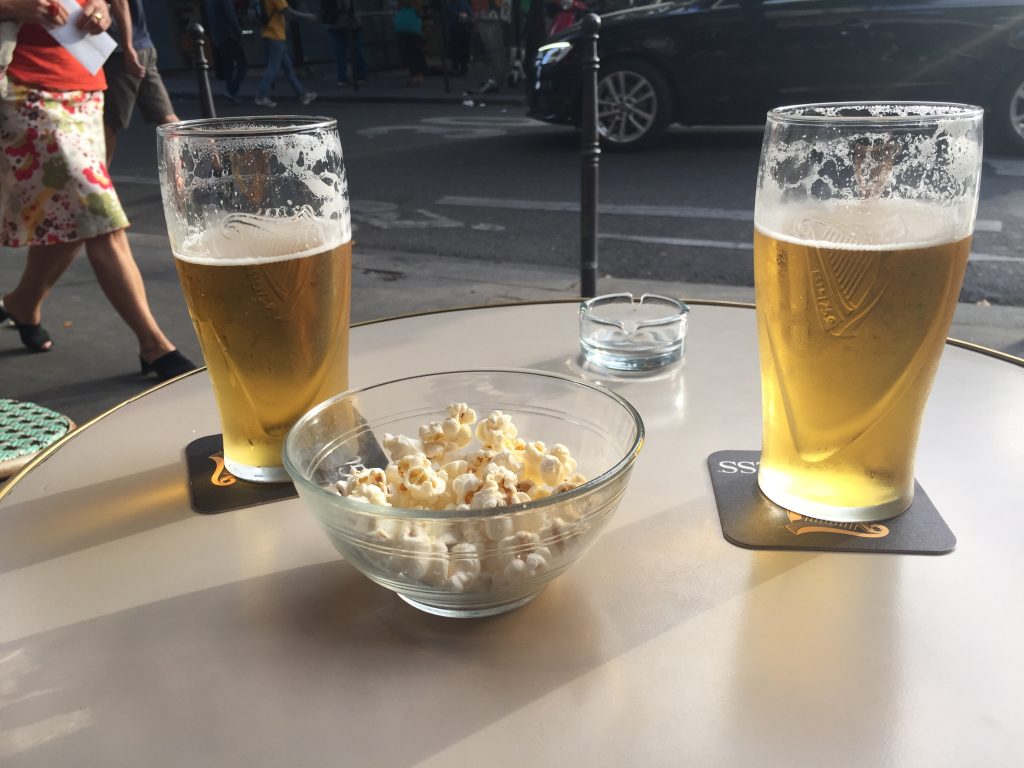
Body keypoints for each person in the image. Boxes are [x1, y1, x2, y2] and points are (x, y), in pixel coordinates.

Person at [0, 0, 196, 380]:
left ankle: (23, 303)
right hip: (27, 89)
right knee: (96, 210)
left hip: (88, 85)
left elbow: (103, 5)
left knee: (72, 215)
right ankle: (154, 344)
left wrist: (101, 15)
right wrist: (15, 7)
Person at [102, 0, 179, 166]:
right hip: (143, 46)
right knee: (166, 117)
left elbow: (120, 3)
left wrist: (127, 48)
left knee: (109, 122)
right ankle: (208, 146)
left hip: (122, 53)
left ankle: (99, 181)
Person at [255, 0, 317, 107]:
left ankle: (303, 94)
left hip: (268, 33)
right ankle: (261, 96)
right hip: (276, 35)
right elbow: (288, 12)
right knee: (273, 68)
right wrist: (306, 16)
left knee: (288, 68)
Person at [203, 0, 248, 103]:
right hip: (229, 36)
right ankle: (232, 90)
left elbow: (208, 18)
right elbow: (231, 16)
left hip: (218, 37)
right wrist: (239, 34)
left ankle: (230, 91)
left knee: (228, 65)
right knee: (243, 63)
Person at [322, 0, 367, 87]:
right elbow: (347, 7)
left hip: (333, 24)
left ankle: (342, 78)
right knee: (356, 50)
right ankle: (361, 76)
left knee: (339, 52)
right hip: (349, 24)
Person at [393, 0, 426, 87]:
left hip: (412, 34)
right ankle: (416, 74)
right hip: (403, 33)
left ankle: (416, 75)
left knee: (413, 54)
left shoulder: (415, 8)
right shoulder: (401, 8)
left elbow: (419, 11)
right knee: (409, 55)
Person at [443, 0, 471, 76]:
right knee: (454, 49)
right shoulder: (449, 4)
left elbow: (467, 16)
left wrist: (463, 20)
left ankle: (463, 67)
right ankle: (455, 67)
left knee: (463, 48)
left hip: (463, 29)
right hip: (453, 29)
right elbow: (446, 17)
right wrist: (447, 30)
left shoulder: (463, 3)